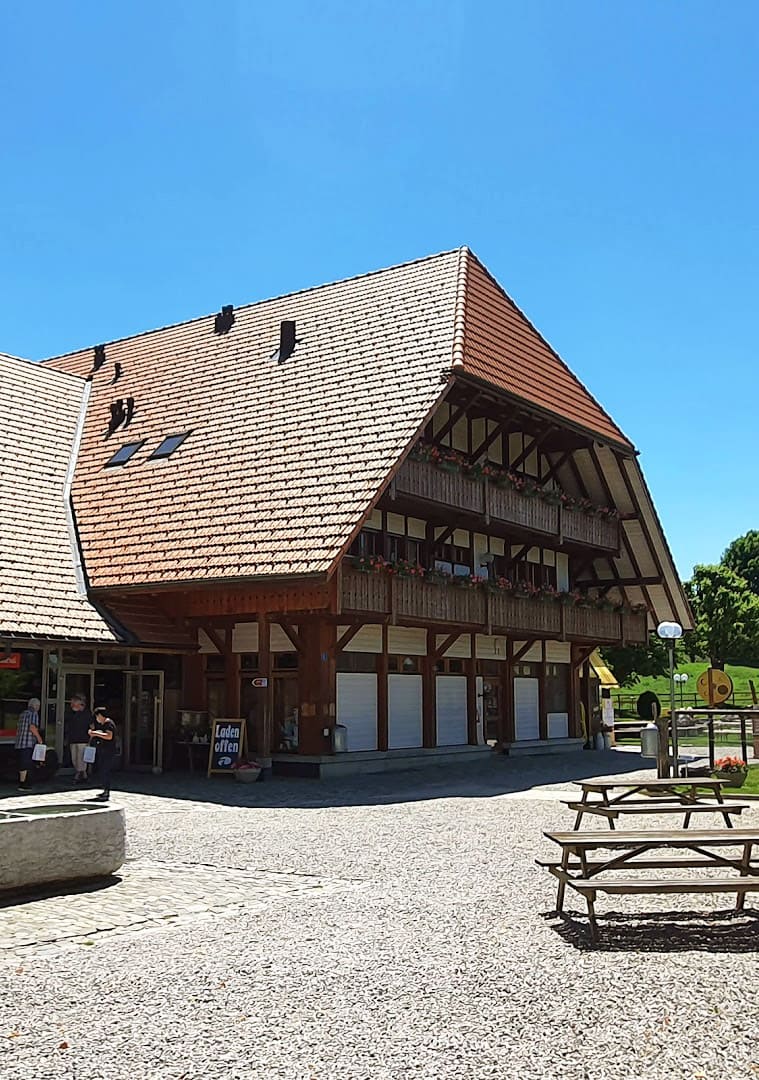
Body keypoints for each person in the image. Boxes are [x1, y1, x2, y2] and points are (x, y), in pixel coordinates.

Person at [87, 706, 117, 802]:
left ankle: (106, 791)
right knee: (102, 770)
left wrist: (95, 734)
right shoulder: (104, 724)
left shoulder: (108, 724)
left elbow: (109, 736)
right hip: (104, 750)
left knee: (105, 770)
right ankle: (104, 789)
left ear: (100, 715)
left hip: (108, 751)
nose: (97, 719)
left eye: (97, 717)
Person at [15, 697, 44, 792]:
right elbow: (32, 727)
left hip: (20, 742)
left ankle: (22, 782)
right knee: (27, 763)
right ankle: (24, 784)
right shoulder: (33, 713)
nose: (39, 708)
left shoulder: (23, 714)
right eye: (38, 706)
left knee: (22, 763)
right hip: (28, 742)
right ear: (35, 706)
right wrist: (39, 738)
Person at [66, 693, 93, 784]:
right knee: (74, 758)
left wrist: (91, 736)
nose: (72, 705)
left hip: (83, 739)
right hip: (73, 739)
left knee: (81, 758)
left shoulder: (87, 713)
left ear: (79, 703)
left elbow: (91, 725)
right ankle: (84, 775)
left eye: (73, 703)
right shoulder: (71, 713)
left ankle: (77, 775)